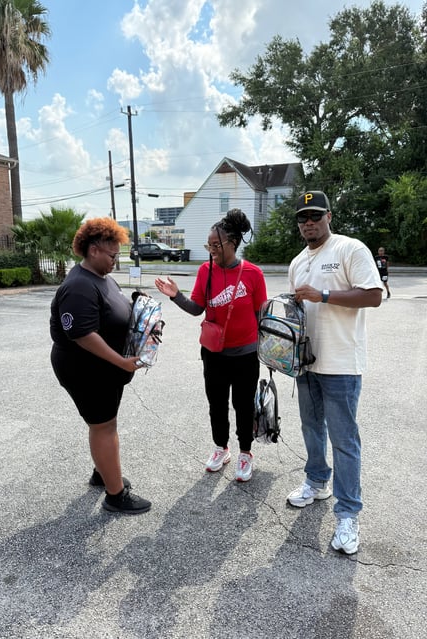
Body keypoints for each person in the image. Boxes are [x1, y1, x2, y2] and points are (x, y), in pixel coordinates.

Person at [287, 191, 382, 554]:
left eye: (314, 216)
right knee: (311, 428)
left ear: (329, 216)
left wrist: (323, 295)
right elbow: (296, 315)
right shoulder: (298, 262)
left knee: (344, 440)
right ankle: (316, 482)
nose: (308, 223)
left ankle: (347, 514)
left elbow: (373, 295)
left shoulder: (349, 249)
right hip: (307, 363)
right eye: (302, 218)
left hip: (341, 364)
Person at [155, 209, 267, 482]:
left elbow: (260, 315)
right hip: (214, 354)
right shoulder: (205, 270)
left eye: (216, 245)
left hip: (245, 355)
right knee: (216, 404)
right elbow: (196, 309)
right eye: (209, 245)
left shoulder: (253, 273)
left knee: (243, 405)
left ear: (233, 243)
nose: (211, 250)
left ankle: (245, 452)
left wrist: (265, 350)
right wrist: (175, 296)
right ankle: (221, 448)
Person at [50, 217, 151, 515]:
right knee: (103, 425)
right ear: (93, 250)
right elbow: (82, 335)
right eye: (112, 255)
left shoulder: (102, 277)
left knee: (104, 422)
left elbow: (115, 310)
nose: (115, 261)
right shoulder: (79, 286)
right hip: (85, 369)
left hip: (103, 368)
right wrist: (121, 361)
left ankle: (103, 472)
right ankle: (115, 494)